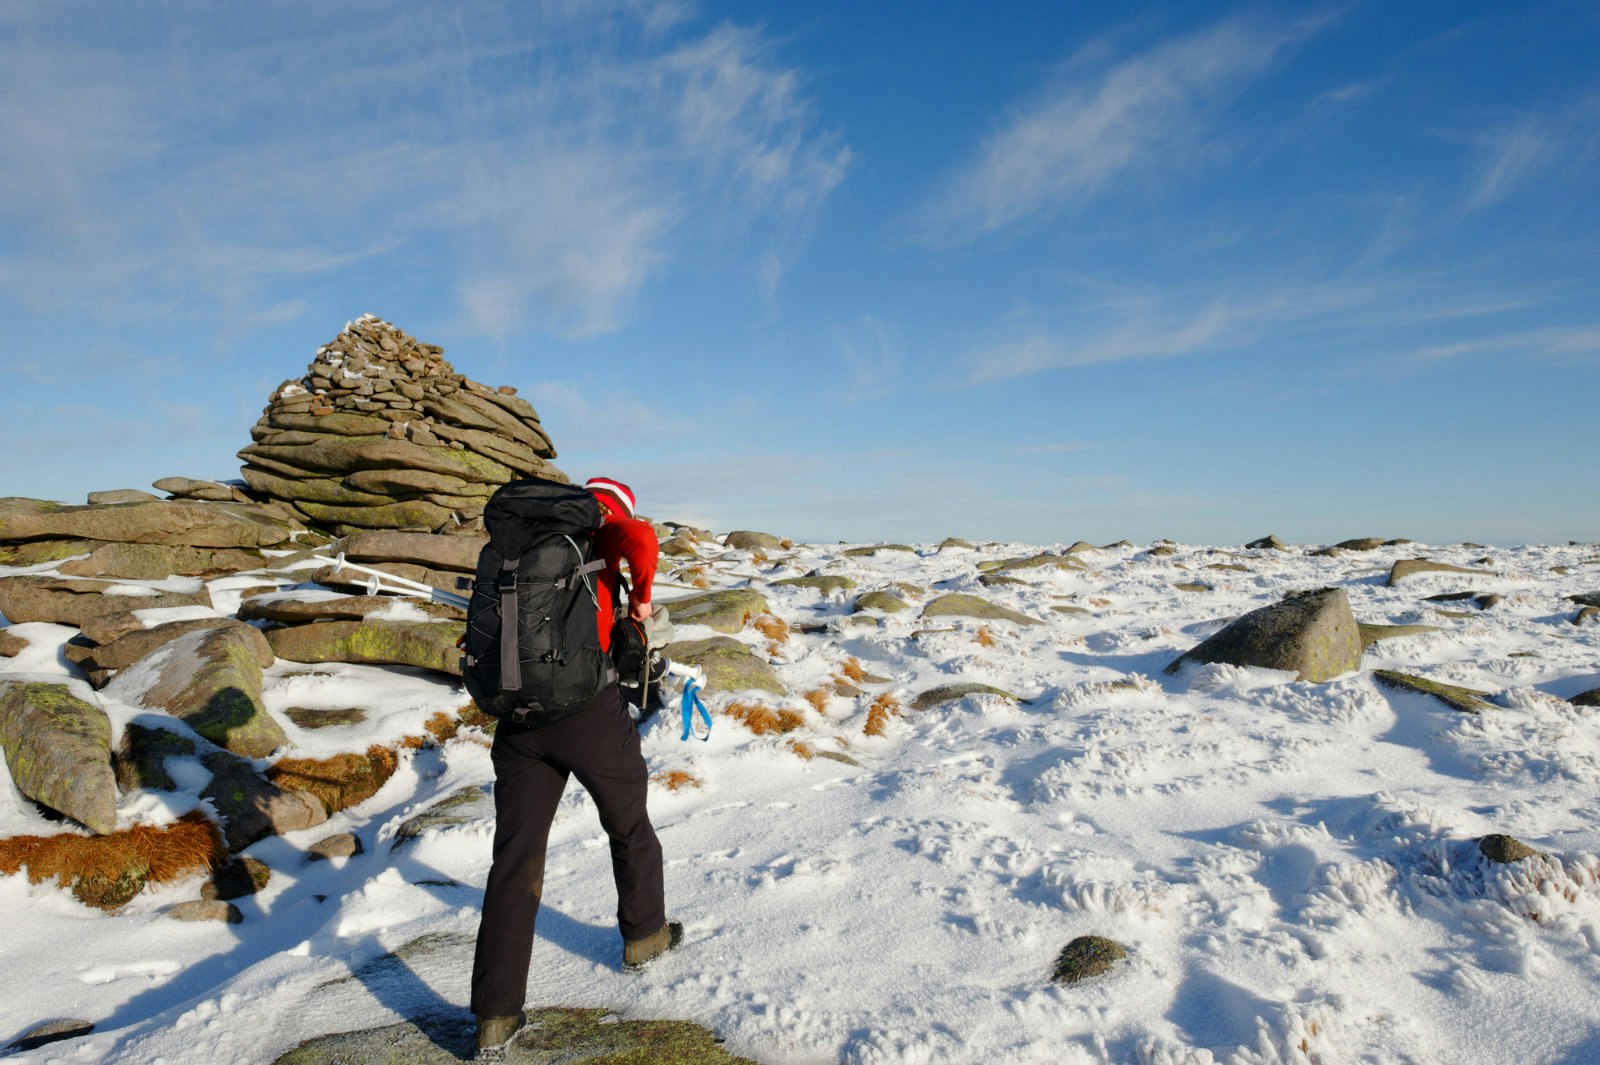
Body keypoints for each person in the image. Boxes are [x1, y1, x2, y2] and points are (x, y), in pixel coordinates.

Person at [469, 476, 680, 1061]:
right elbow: (638, 535)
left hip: (517, 722)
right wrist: (641, 600)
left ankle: (494, 1015)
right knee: (629, 826)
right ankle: (645, 936)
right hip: (588, 715)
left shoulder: (519, 543)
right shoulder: (601, 531)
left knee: (514, 861)